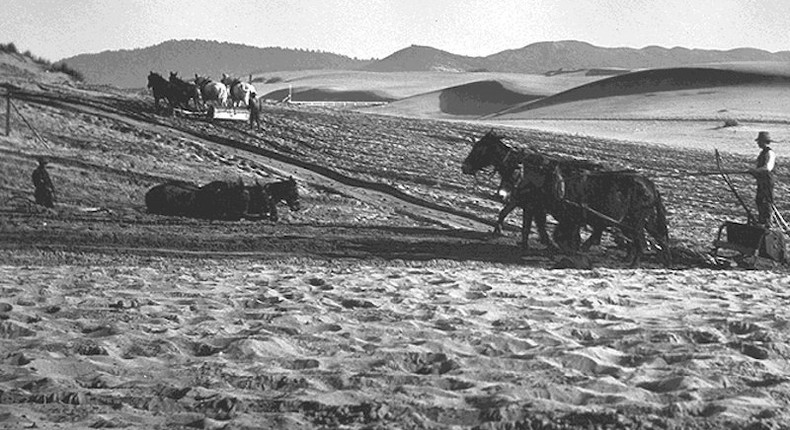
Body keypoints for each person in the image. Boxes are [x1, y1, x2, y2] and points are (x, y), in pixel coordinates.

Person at [749, 131, 776, 226]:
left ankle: (768, 222)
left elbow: (768, 168)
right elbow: (758, 166)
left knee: (767, 201)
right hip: (761, 180)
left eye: (759, 141)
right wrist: (753, 171)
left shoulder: (770, 153)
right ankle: (762, 220)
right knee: (759, 200)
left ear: (764, 142)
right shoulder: (762, 153)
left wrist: (756, 171)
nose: (758, 143)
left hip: (767, 180)